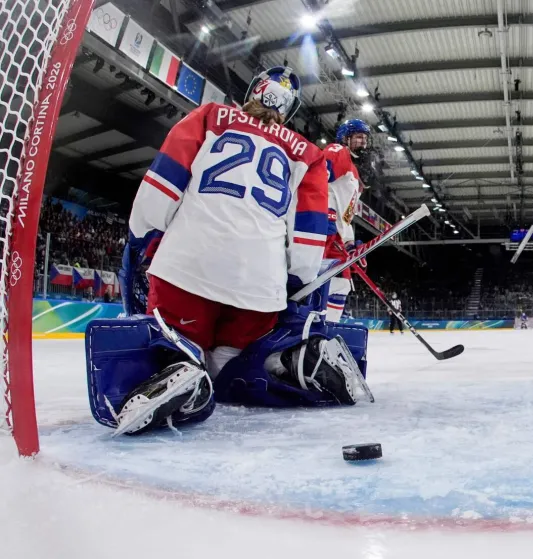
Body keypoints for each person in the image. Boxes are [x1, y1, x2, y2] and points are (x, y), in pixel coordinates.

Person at [96, 66, 357, 436]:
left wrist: (140, 233)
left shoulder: (208, 117)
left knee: (180, 347)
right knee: (231, 362)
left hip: (186, 269)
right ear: (291, 110)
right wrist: (298, 277)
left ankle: (183, 365)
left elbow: (161, 185)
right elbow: (309, 234)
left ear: (252, 91)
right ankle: (288, 362)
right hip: (257, 289)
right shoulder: (309, 156)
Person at [322, 118, 371, 324]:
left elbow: (347, 215)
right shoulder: (337, 151)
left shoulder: (355, 172)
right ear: (346, 137)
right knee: (328, 282)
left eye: (365, 139)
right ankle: (317, 330)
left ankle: (326, 329)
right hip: (323, 228)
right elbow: (316, 180)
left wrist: (350, 242)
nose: (363, 143)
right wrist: (323, 215)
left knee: (341, 284)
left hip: (337, 234)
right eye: (359, 137)